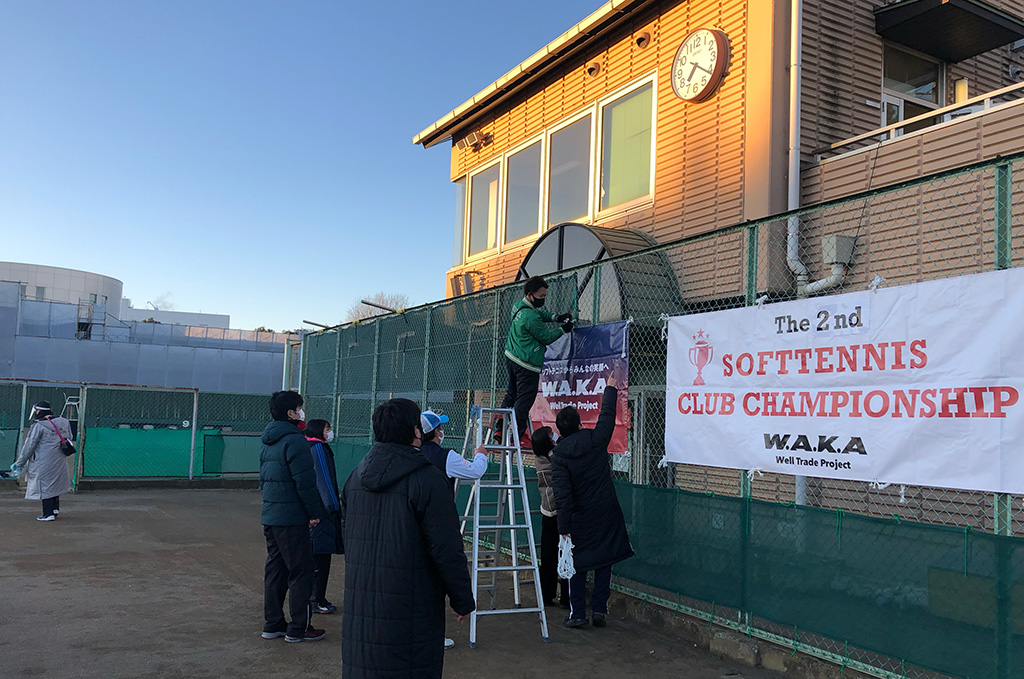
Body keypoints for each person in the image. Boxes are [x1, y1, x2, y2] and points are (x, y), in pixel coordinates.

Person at [341, 398, 475, 679]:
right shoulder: (428, 480)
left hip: (362, 603)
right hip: (413, 604)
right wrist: (462, 598)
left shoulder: (355, 477)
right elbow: (447, 548)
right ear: (415, 432)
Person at [551, 375, 634, 629]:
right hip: (605, 510)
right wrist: (609, 388)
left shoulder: (559, 458)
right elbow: (607, 417)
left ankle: (578, 614)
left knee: (577, 564)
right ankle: (599, 609)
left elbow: (563, 496)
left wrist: (563, 529)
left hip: (579, 517)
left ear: (560, 431)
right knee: (603, 559)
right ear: (578, 425)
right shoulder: (596, 441)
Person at [417, 409, 488, 649]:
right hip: (437, 523)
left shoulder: (412, 453)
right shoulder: (444, 456)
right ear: (436, 432)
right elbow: (476, 471)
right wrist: (481, 455)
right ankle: (431, 635)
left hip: (413, 521)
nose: (442, 431)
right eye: (440, 427)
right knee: (436, 578)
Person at [259, 390, 326, 643]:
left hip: (272, 515)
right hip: (292, 518)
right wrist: (314, 512)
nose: (301, 412)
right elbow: (305, 482)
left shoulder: (268, 440)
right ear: (291, 413)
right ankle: (300, 627)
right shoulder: (296, 441)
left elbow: (264, 480)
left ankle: (273, 623)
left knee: (275, 569)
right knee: (302, 571)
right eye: (299, 408)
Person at [498, 276, 573, 439]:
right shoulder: (530, 317)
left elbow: (539, 313)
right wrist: (563, 329)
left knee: (511, 394)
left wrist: (556, 317)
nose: (543, 299)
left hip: (511, 356)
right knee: (525, 399)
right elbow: (546, 337)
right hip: (527, 363)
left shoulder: (518, 307)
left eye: (545, 295)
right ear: (530, 294)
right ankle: (516, 433)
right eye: (541, 296)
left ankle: (499, 427)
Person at [304, 419, 344, 616]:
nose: (330, 432)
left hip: (316, 511)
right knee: (320, 558)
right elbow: (324, 480)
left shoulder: (308, 446)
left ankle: (314, 598)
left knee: (316, 557)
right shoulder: (318, 449)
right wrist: (334, 508)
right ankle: (317, 599)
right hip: (322, 513)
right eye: (328, 428)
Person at [530, 426, 570, 609]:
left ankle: (549, 594)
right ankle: (563, 596)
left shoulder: (541, 457)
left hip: (548, 511)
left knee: (551, 554)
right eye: (550, 435)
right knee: (563, 553)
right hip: (555, 511)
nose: (554, 435)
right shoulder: (548, 460)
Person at [13, 401, 72, 521]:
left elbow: (29, 445)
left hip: (43, 461)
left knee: (45, 486)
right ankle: (55, 509)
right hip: (59, 459)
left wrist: (20, 462)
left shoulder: (39, 425)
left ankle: (48, 513)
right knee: (55, 483)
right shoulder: (64, 422)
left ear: (38, 411)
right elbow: (69, 437)